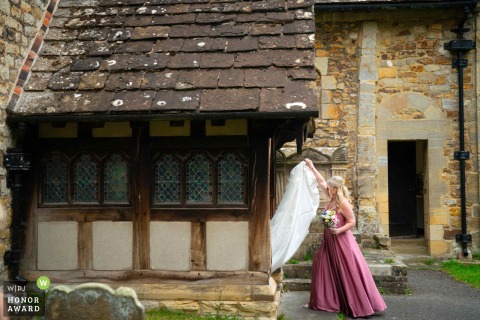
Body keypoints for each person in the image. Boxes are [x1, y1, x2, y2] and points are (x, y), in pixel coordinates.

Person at [303, 158, 387, 318]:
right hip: (329, 240)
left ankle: (358, 305)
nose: (326, 187)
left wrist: (339, 230)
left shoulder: (342, 203)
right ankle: (324, 301)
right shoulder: (331, 197)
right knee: (321, 266)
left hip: (342, 241)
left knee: (347, 270)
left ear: (335, 188)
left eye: (329, 186)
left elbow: (352, 222)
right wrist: (312, 166)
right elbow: (320, 180)